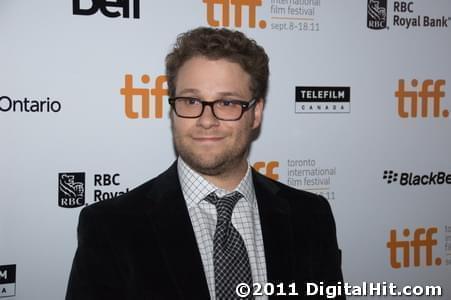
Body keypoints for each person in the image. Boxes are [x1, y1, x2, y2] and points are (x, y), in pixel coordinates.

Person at [66, 27, 344, 300]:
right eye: (191, 100)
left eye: (226, 103)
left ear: (255, 113)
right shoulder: (110, 227)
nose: (206, 120)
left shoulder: (310, 217)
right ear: (173, 108)